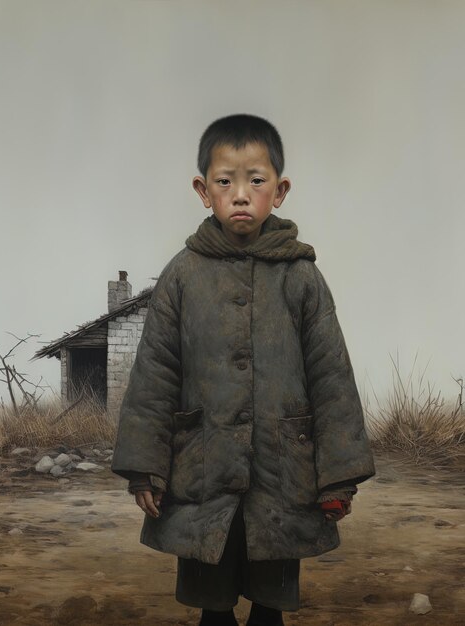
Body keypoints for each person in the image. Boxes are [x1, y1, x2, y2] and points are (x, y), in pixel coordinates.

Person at [111, 113, 376, 626]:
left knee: (269, 609)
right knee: (213, 610)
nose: (239, 194)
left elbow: (332, 378)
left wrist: (338, 478)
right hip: (201, 470)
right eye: (224, 181)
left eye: (255, 180)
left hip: (283, 473)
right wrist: (145, 466)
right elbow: (154, 376)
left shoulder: (301, 277)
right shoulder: (181, 275)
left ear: (279, 191)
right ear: (202, 189)